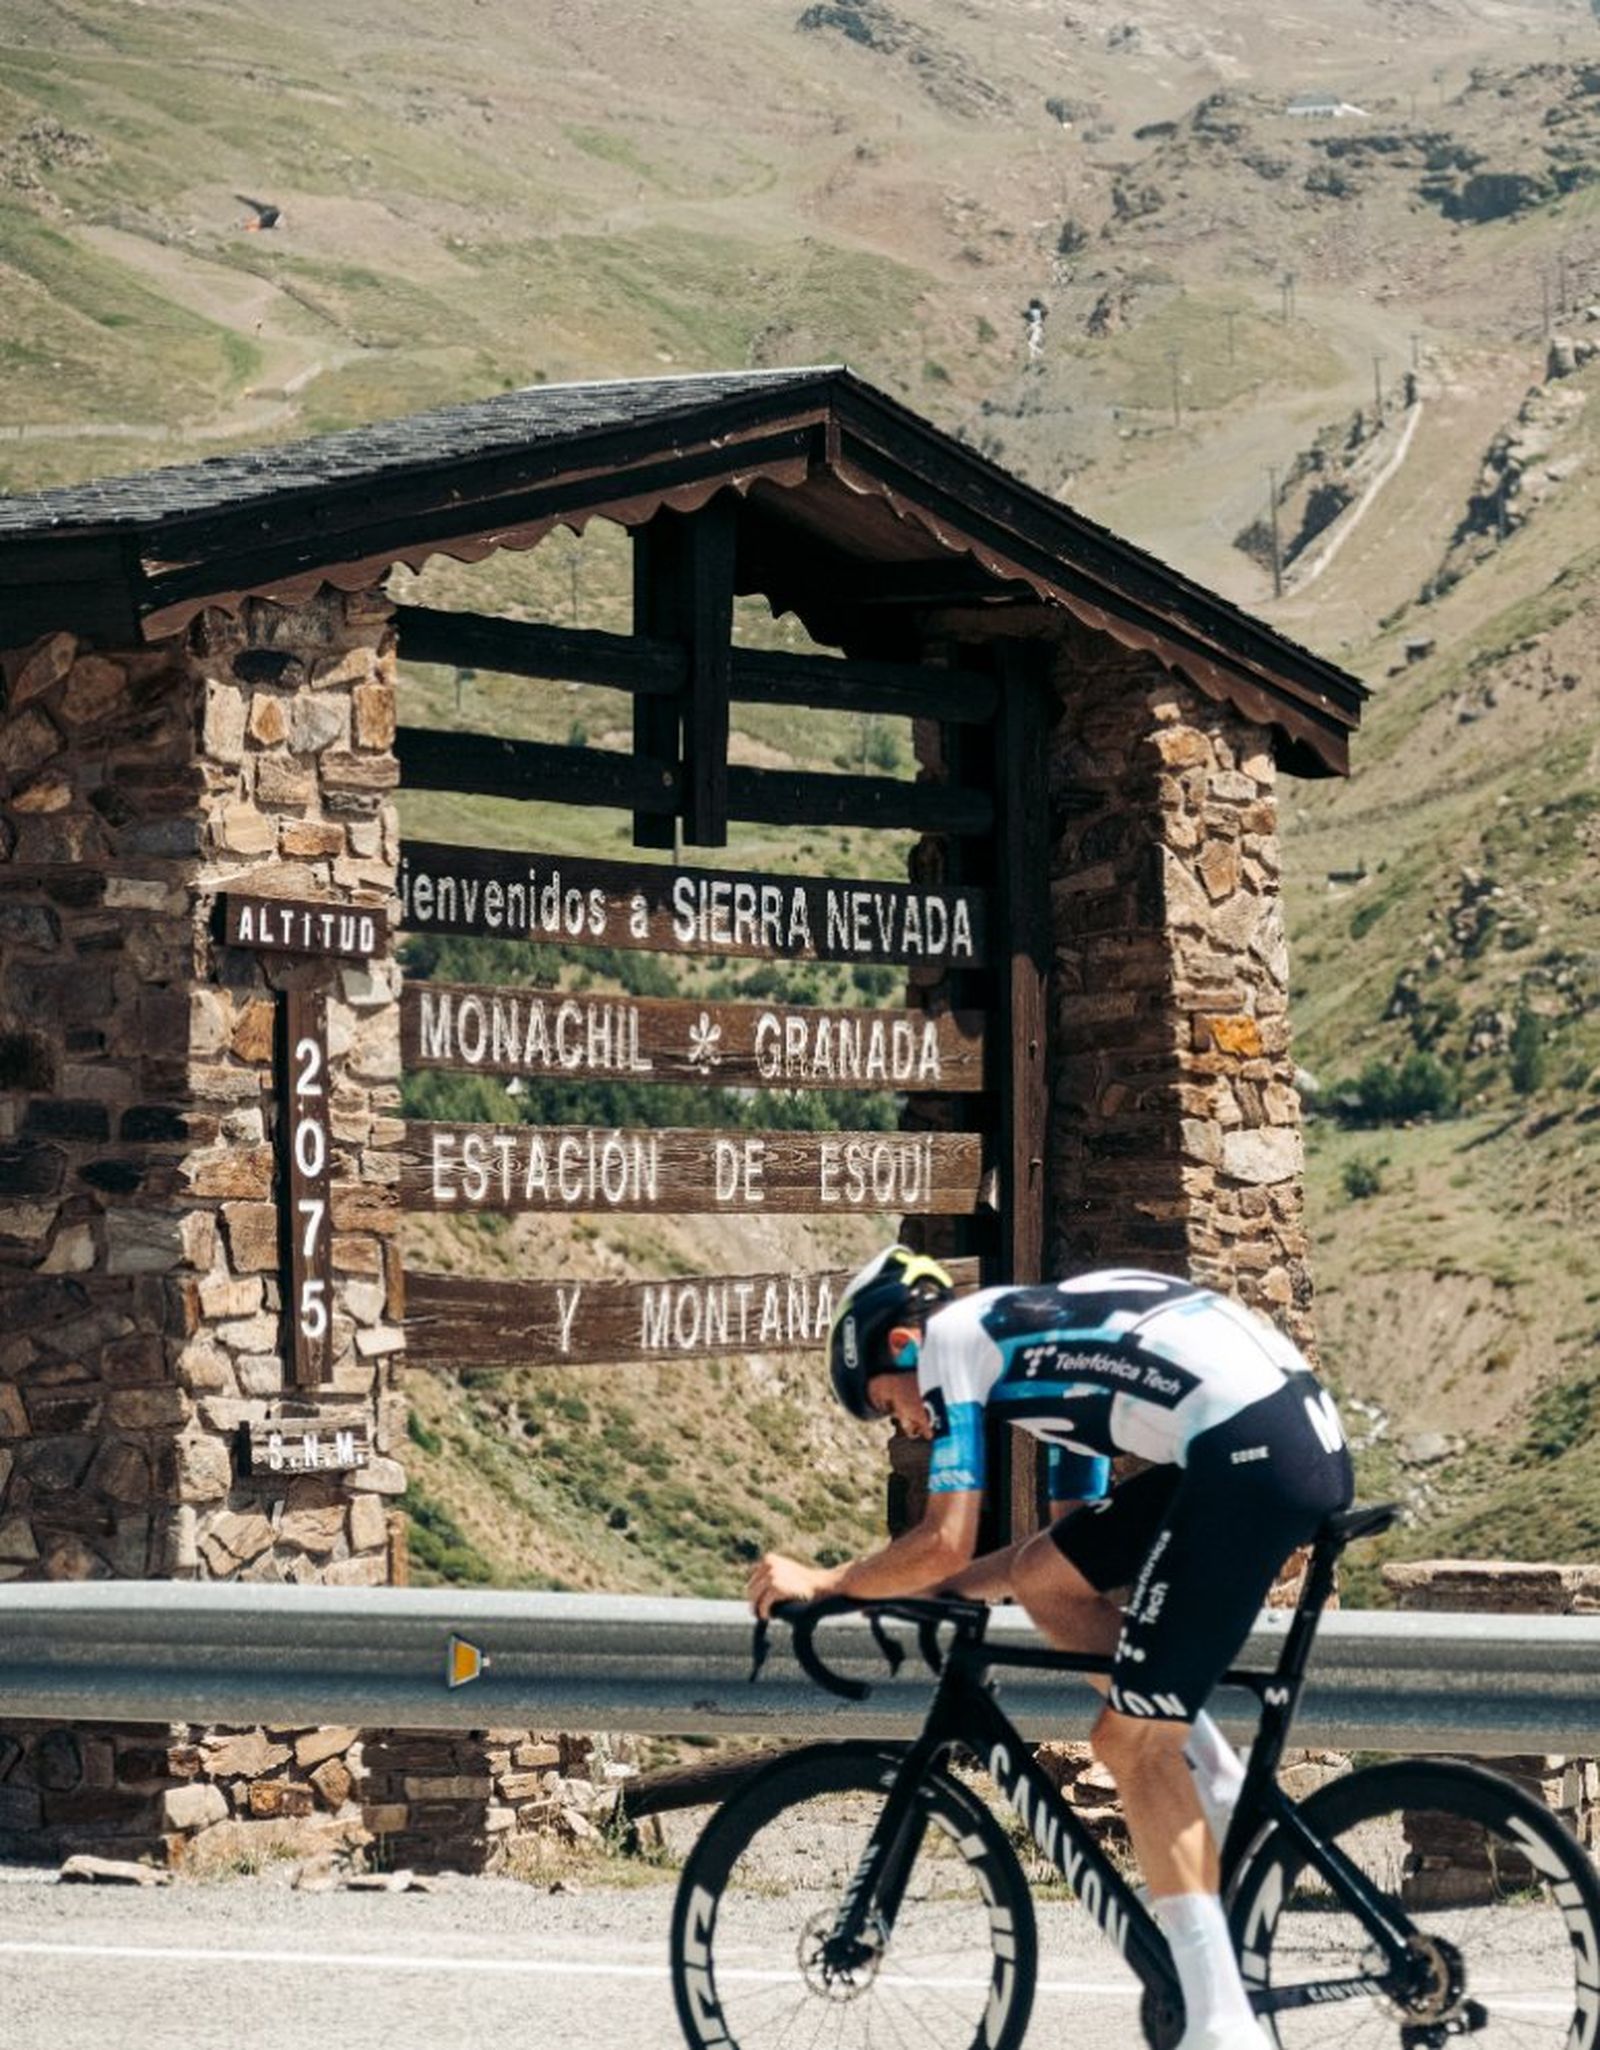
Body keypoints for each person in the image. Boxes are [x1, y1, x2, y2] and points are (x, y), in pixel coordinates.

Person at [748, 1245, 1354, 2050]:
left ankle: (1221, 2030)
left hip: (1249, 1453)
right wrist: (941, 1595)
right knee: (1044, 1580)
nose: (899, 1421)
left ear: (898, 1346)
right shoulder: (1041, 1341)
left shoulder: (953, 1342)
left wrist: (828, 1584)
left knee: (1128, 1745)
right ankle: (1215, 1780)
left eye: (881, 1404)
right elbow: (1069, 1544)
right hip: (1277, 1435)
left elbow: (944, 1537)